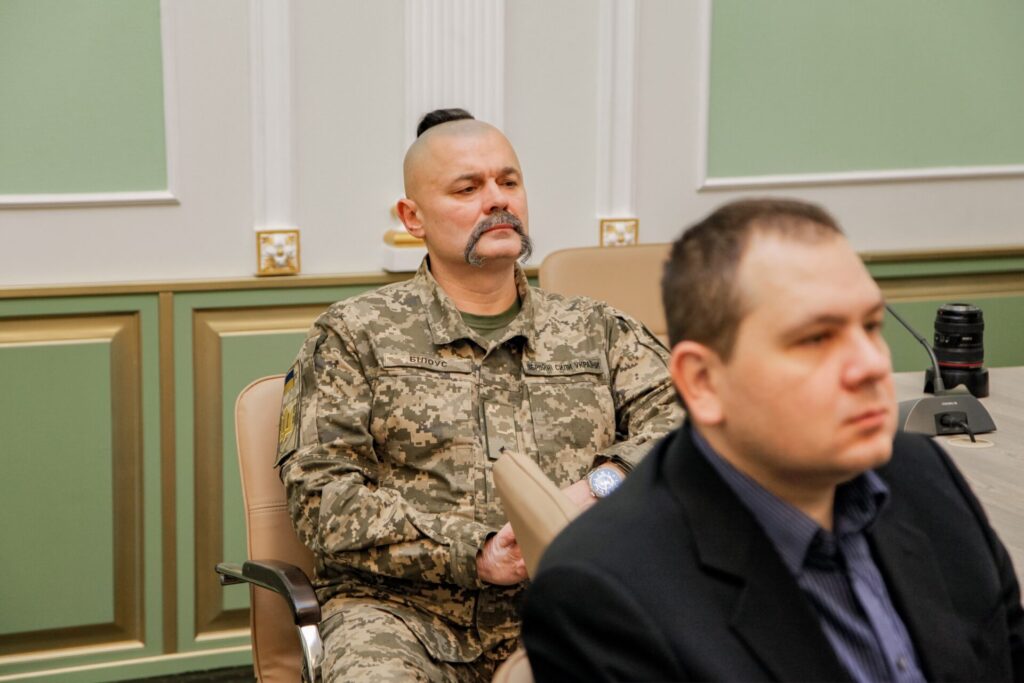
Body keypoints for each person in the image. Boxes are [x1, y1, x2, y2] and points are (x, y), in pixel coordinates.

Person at [522, 198, 1024, 682]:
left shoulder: (922, 474)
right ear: (703, 382)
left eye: (871, 326)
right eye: (816, 338)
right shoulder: (602, 595)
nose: (872, 364)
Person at [276, 108, 681, 681]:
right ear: (412, 217)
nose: (497, 200)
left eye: (508, 182)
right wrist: (477, 552)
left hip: (573, 603)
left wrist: (601, 484)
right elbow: (322, 498)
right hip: (401, 615)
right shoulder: (353, 334)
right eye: (467, 188)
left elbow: (690, 429)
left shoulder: (597, 329)